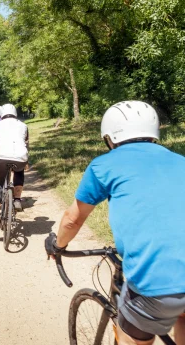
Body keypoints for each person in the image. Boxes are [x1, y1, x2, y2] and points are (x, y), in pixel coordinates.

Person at [45, 101, 185, 345]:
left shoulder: (103, 165)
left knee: (133, 336)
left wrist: (58, 246)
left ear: (109, 136)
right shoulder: (180, 161)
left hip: (155, 284)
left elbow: (73, 219)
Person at [0, 103, 28, 229]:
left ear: (2, 114)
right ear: (15, 113)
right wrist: (27, 162)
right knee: (19, 172)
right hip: (20, 157)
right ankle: (17, 199)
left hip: (1, 158)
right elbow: (27, 145)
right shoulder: (24, 126)